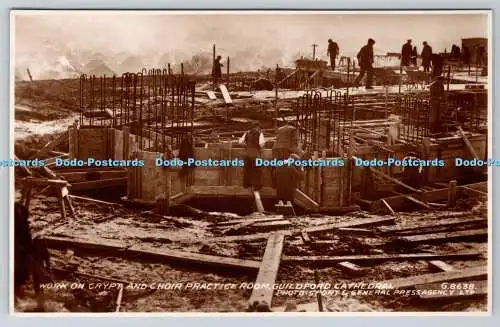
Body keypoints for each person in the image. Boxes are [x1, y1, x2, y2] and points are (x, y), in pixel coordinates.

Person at [239, 123, 265, 191]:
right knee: (257, 171)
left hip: (247, 154)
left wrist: (247, 145)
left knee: (247, 170)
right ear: (258, 127)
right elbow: (261, 144)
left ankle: (246, 185)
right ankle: (256, 187)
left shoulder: (247, 133)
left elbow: (240, 142)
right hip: (255, 154)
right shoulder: (260, 133)